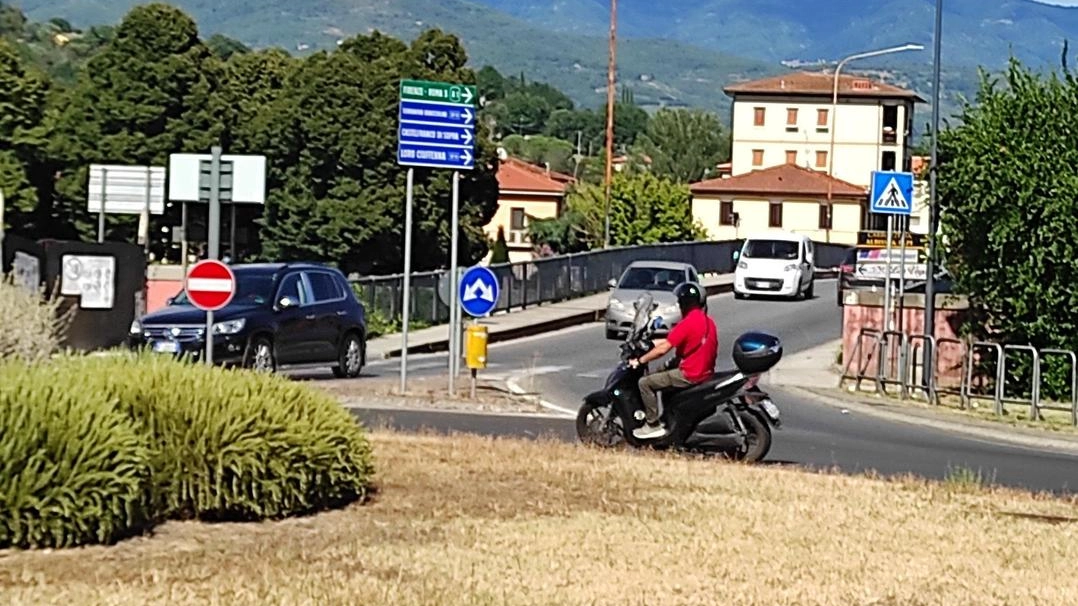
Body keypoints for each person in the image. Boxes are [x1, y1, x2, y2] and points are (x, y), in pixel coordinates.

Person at [628, 282, 718, 439]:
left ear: (684, 303)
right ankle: (669, 419)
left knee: (645, 383)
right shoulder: (707, 321)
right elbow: (670, 340)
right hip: (703, 370)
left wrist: (640, 360)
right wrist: (648, 344)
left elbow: (663, 349)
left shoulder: (688, 322)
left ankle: (652, 425)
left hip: (690, 373)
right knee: (662, 373)